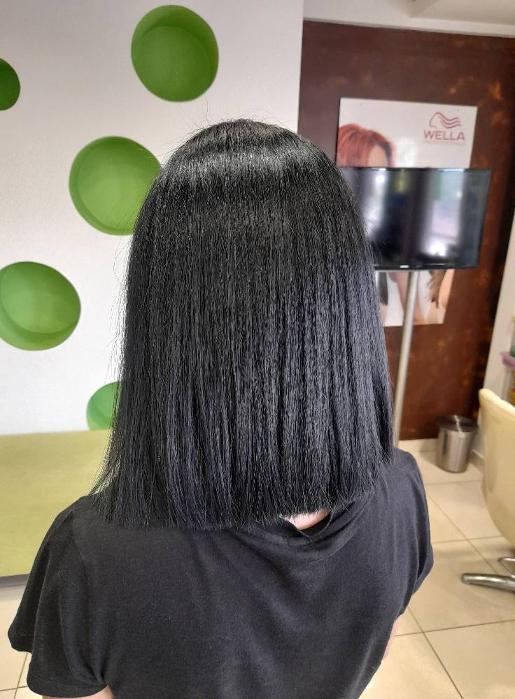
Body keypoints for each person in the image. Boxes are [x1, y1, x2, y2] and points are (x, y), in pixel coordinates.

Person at [8, 119, 433, 699]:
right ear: (346, 308)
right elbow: (376, 638)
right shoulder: (403, 492)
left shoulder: (97, 553)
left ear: (162, 319)